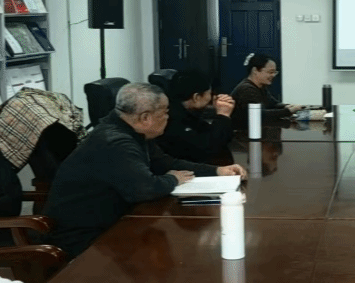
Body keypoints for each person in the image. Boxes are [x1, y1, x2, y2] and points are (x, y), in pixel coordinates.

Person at [43, 82, 245, 257]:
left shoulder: (132, 132)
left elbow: (166, 163)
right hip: (85, 240)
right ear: (146, 117)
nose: (168, 117)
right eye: (165, 112)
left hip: (113, 224)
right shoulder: (116, 142)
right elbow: (145, 188)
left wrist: (218, 171)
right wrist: (173, 180)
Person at [157, 68, 235, 162]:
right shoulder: (172, 120)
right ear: (196, 97)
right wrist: (223, 115)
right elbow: (209, 148)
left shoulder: (185, 112)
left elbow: (215, 135)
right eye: (209, 94)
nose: (211, 98)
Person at [230, 53, 301, 128]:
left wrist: (287, 106)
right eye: (270, 72)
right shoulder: (246, 89)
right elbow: (259, 115)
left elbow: (273, 104)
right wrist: (288, 111)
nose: (273, 75)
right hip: (245, 132)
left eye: (275, 72)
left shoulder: (261, 87)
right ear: (255, 70)